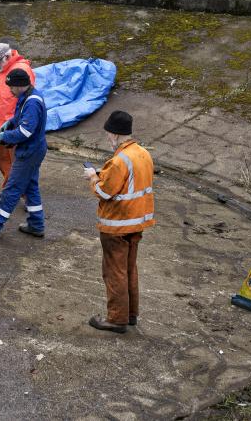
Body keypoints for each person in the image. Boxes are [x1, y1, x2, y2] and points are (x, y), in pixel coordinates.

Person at [83, 111, 155, 334]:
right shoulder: (142, 153)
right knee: (129, 269)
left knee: (114, 272)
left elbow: (105, 192)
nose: (108, 138)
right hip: (137, 222)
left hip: (117, 225)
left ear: (114, 134)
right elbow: (127, 183)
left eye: (108, 134)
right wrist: (101, 172)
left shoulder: (119, 160)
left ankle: (116, 319)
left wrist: (93, 177)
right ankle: (130, 314)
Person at [0, 68, 47, 238]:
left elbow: (25, 132)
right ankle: (37, 224)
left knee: (12, 188)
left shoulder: (32, 101)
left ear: (20, 85)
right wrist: (10, 122)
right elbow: (21, 118)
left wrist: (6, 136)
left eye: (11, 87)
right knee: (30, 187)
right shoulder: (27, 96)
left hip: (29, 152)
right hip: (34, 150)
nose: (10, 90)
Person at [0, 42, 36, 199]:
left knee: (19, 164)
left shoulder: (23, 70)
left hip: (16, 127)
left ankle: (27, 198)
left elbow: (28, 101)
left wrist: (23, 126)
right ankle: (9, 189)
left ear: (7, 56)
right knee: (4, 162)